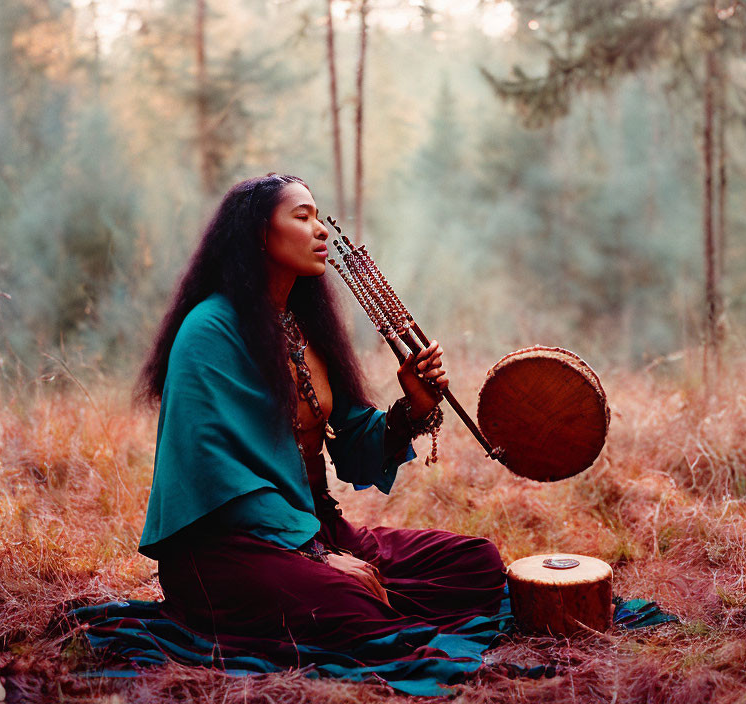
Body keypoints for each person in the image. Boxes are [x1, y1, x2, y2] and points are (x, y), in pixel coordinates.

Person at [135, 173, 507, 658]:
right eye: (302, 216)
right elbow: (214, 475)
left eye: (318, 215)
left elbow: (354, 451)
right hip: (226, 547)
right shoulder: (209, 331)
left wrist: (413, 405)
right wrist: (319, 557)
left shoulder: (304, 323)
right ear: (258, 234)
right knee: (353, 604)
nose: (321, 230)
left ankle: (367, 605)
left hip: (313, 526)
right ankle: (364, 609)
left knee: (476, 563)